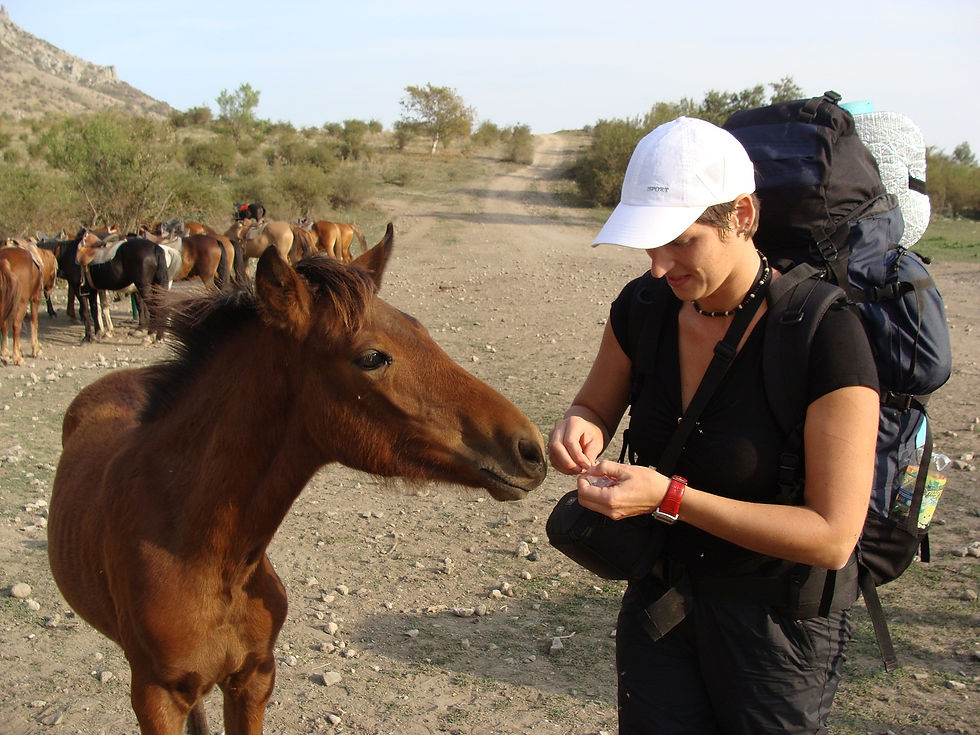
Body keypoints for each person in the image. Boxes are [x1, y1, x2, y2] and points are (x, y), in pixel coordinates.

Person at [548, 117, 881, 734]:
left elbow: (833, 537)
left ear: (743, 215)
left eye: (680, 241)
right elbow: (591, 407)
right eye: (649, 244)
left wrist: (670, 498)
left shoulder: (824, 334)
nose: (658, 267)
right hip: (661, 604)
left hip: (778, 632)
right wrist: (578, 427)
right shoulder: (643, 309)